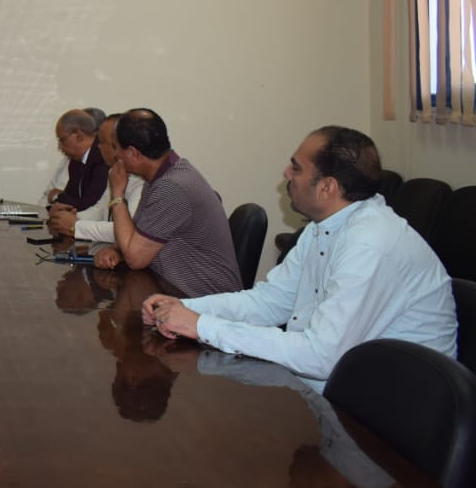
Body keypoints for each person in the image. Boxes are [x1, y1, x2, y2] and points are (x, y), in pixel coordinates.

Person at [143, 126, 457, 391]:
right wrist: (185, 308)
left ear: (327, 187)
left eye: (296, 168)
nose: (286, 173)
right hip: (339, 385)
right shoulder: (326, 225)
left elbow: (321, 356)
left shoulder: (370, 243)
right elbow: (269, 302)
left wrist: (202, 326)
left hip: (392, 409)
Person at [94, 109, 241, 297]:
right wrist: (115, 250)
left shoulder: (172, 186)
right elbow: (137, 235)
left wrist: (117, 194)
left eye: (116, 148)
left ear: (133, 154)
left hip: (203, 301)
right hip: (174, 291)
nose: (115, 155)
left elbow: (135, 258)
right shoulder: (161, 177)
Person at [48, 114, 144, 243]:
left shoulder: (142, 180)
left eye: (102, 142)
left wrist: (76, 226)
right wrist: (65, 218)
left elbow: (127, 232)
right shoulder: (116, 172)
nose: (98, 146)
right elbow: (100, 211)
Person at [43, 109, 108, 212]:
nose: (60, 147)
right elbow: (69, 197)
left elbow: (88, 204)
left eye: (62, 140)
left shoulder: (102, 158)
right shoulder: (75, 161)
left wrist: (57, 196)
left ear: (78, 135)